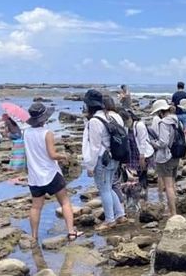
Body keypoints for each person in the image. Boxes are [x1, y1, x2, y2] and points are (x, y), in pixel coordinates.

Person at [23, 102, 82, 243]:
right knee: (65, 202)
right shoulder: (47, 133)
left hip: (35, 176)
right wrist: (64, 156)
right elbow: (52, 155)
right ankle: (71, 232)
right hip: (50, 173)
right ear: (44, 118)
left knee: (36, 207)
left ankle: (34, 237)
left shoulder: (26, 132)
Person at [82, 89, 127, 231]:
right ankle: (120, 214)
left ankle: (109, 220)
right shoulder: (113, 117)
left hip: (102, 159)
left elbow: (94, 147)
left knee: (104, 189)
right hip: (115, 157)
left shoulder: (95, 121)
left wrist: (89, 165)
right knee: (109, 187)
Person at [148, 99, 181, 217]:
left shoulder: (163, 123)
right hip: (176, 155)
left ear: (161, 112)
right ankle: (173, 209)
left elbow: (163, 142)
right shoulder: (176, 120)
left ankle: (172, 212)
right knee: (172, 184)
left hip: (166, 157)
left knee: (168, 186)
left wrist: (152, 143)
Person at [121, 109, 154, 195]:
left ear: (130, 117)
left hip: (143, 153)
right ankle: (141, 192)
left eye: (126, 120)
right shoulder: (127, 128)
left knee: (142, 173)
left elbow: (142, 141)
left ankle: (144, 192)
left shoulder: (139, 125)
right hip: (133, 152)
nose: (125, 123)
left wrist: (142, 156)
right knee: (136, 173)